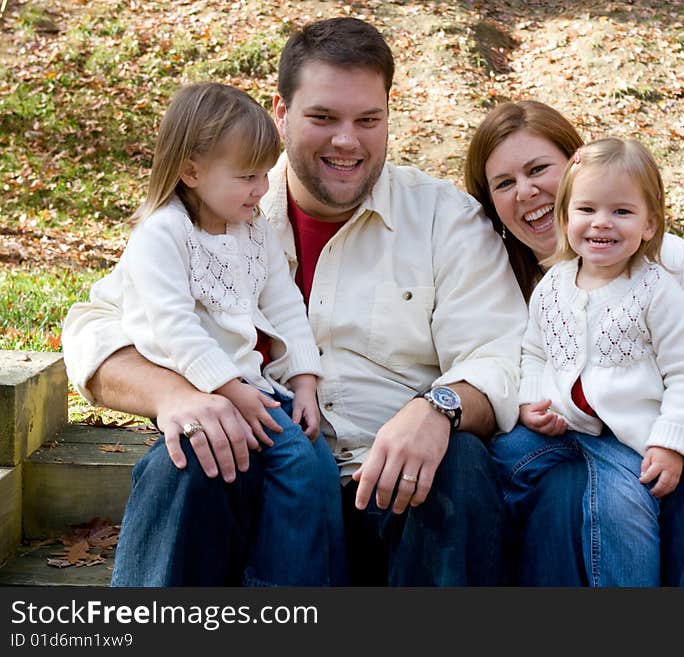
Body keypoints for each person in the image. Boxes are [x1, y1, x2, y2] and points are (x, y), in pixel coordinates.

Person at [61, 17, 526, 586]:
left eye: (367, 119)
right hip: (254, 482)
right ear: (281, 114)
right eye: (323, 117)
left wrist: (439, 410)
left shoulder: (445, 220)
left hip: (390, 489)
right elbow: (93, 326)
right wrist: (174, 393)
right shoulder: (211, 211)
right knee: (189, 454)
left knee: (463, 464)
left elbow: (499, 355)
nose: (346, 140)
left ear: (388, 113)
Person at [465, 100, 684, 586]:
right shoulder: (495, 276)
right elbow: (526, 361)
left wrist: (659, 416)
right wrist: (533, 402)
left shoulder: (670, 272)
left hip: (662, 452)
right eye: (504, 183)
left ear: (575, 163)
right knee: (561, 491)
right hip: (556, 453)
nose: (526, 191)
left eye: (538, 169)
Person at [88, 81, 346, 586]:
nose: (263, 190)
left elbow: (286, 304)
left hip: (248, 385)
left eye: (266, 175)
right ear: (191, 171)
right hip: (196, 386)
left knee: (316, 460)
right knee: (297, 463)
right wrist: (230, 389)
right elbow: (175, 328)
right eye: (248, 176)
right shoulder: (162, 234)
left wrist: (305, 380)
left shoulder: (253, 231)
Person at [517, 137, 684, 585]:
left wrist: (671, 442)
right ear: (565, 217)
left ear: (650, 225)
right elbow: (535, 352)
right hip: (568, 431)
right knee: (499, 459)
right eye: (587, 209)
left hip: (633, 440)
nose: (602, 223)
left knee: (618, 513)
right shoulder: (554, 285)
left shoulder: (657, 293)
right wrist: (531, 401)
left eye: (621, 211)